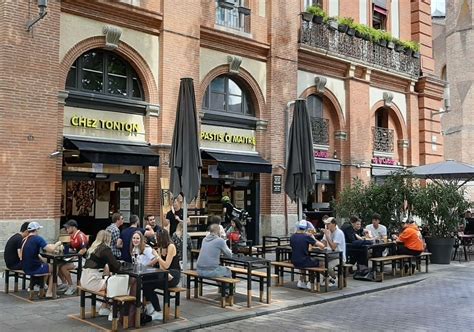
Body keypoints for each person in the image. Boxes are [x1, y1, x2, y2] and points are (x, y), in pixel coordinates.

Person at [141, 230, 181, 320]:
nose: (155, 239)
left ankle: (157, 310)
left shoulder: (171, 246)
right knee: (146, 282)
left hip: (174, 275)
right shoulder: (160, 248)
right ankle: (153, 308)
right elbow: (162, 267)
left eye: (157, 237)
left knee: (149, 283)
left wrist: (157, 256)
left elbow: (166, 265)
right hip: (166, 274)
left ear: (161, 237)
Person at [80, 230, 121, 317]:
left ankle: (105, 305)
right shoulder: (105, 249)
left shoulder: (93, 247)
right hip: (92, 282)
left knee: (109, 279)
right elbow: (116, 265)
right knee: (116, 284)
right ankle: (109, 308)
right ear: (108, 239)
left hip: (84, 279)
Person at [20, 222, 63, 298]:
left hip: (25, 267)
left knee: (46, 265)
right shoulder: (38, 238)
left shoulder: (24, 240)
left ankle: (42, 288)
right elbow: (51, 249)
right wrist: (58, 243)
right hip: (34, 268)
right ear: (36, 230)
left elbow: (34, 253)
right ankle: (49, 292)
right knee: (55, 268)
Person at [290, 220, 325, 289]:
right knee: (321, 263)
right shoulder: (306, 237)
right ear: (306, 228)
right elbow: (322, 246)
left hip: (294, 261)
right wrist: (312, 238)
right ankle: (311, 282)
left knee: (307, 261)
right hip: (303, 261)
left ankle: (301, 281)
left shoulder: (292, 237)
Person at [58, 219, 89, 295]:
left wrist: (75, 256)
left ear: (73, 227)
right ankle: (65, 283)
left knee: (63, 267)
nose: (66, 229)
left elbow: (84, 249)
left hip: (82, 259)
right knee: (57, 265)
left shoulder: (80, 235)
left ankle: (71, 286)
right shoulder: (71, 236)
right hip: (74, 257)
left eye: (68, 228)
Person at [320, 217, 346, 286]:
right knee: (318, 263)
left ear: (334, 224)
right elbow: (323, 244)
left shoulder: (339, 233)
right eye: (326, 224)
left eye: (328, 224)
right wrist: (313, 239)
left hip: (339, 256)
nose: (327, 225)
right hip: (329, 254)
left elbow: (333, 247)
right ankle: (329, 278)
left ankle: (334, 279)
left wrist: (327, 236)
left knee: (327, 266)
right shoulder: (327, 231)